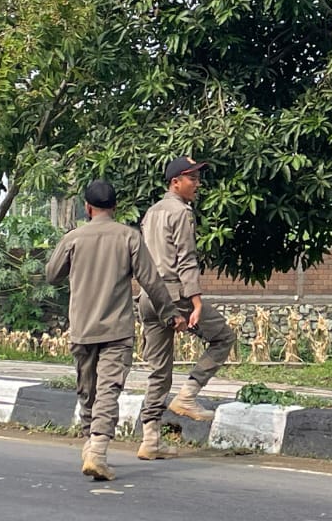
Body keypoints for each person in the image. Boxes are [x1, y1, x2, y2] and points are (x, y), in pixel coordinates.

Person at [45, 179, 184, 481]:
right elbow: (151, 281)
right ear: (115, 207)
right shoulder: (129, 237)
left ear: (87, 207)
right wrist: (170, 313)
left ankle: (89, 444)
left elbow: (52, 274)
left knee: (88, 391)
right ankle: (97, 451)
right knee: (108, 390)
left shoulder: (73, 238)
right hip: (117, 331)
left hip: (82, 328)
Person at [139, 156, 238, 430]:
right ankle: (188, 395)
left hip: (148, 297)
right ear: (175, 182)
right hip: (174, 296)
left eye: (197, 178)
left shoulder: (151, 213)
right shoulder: (181, 212)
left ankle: (150, 438)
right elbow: (186, 259)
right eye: (192, 178)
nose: (197, 184)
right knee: (223, 337)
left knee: (159, 372)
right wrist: (196, 302)